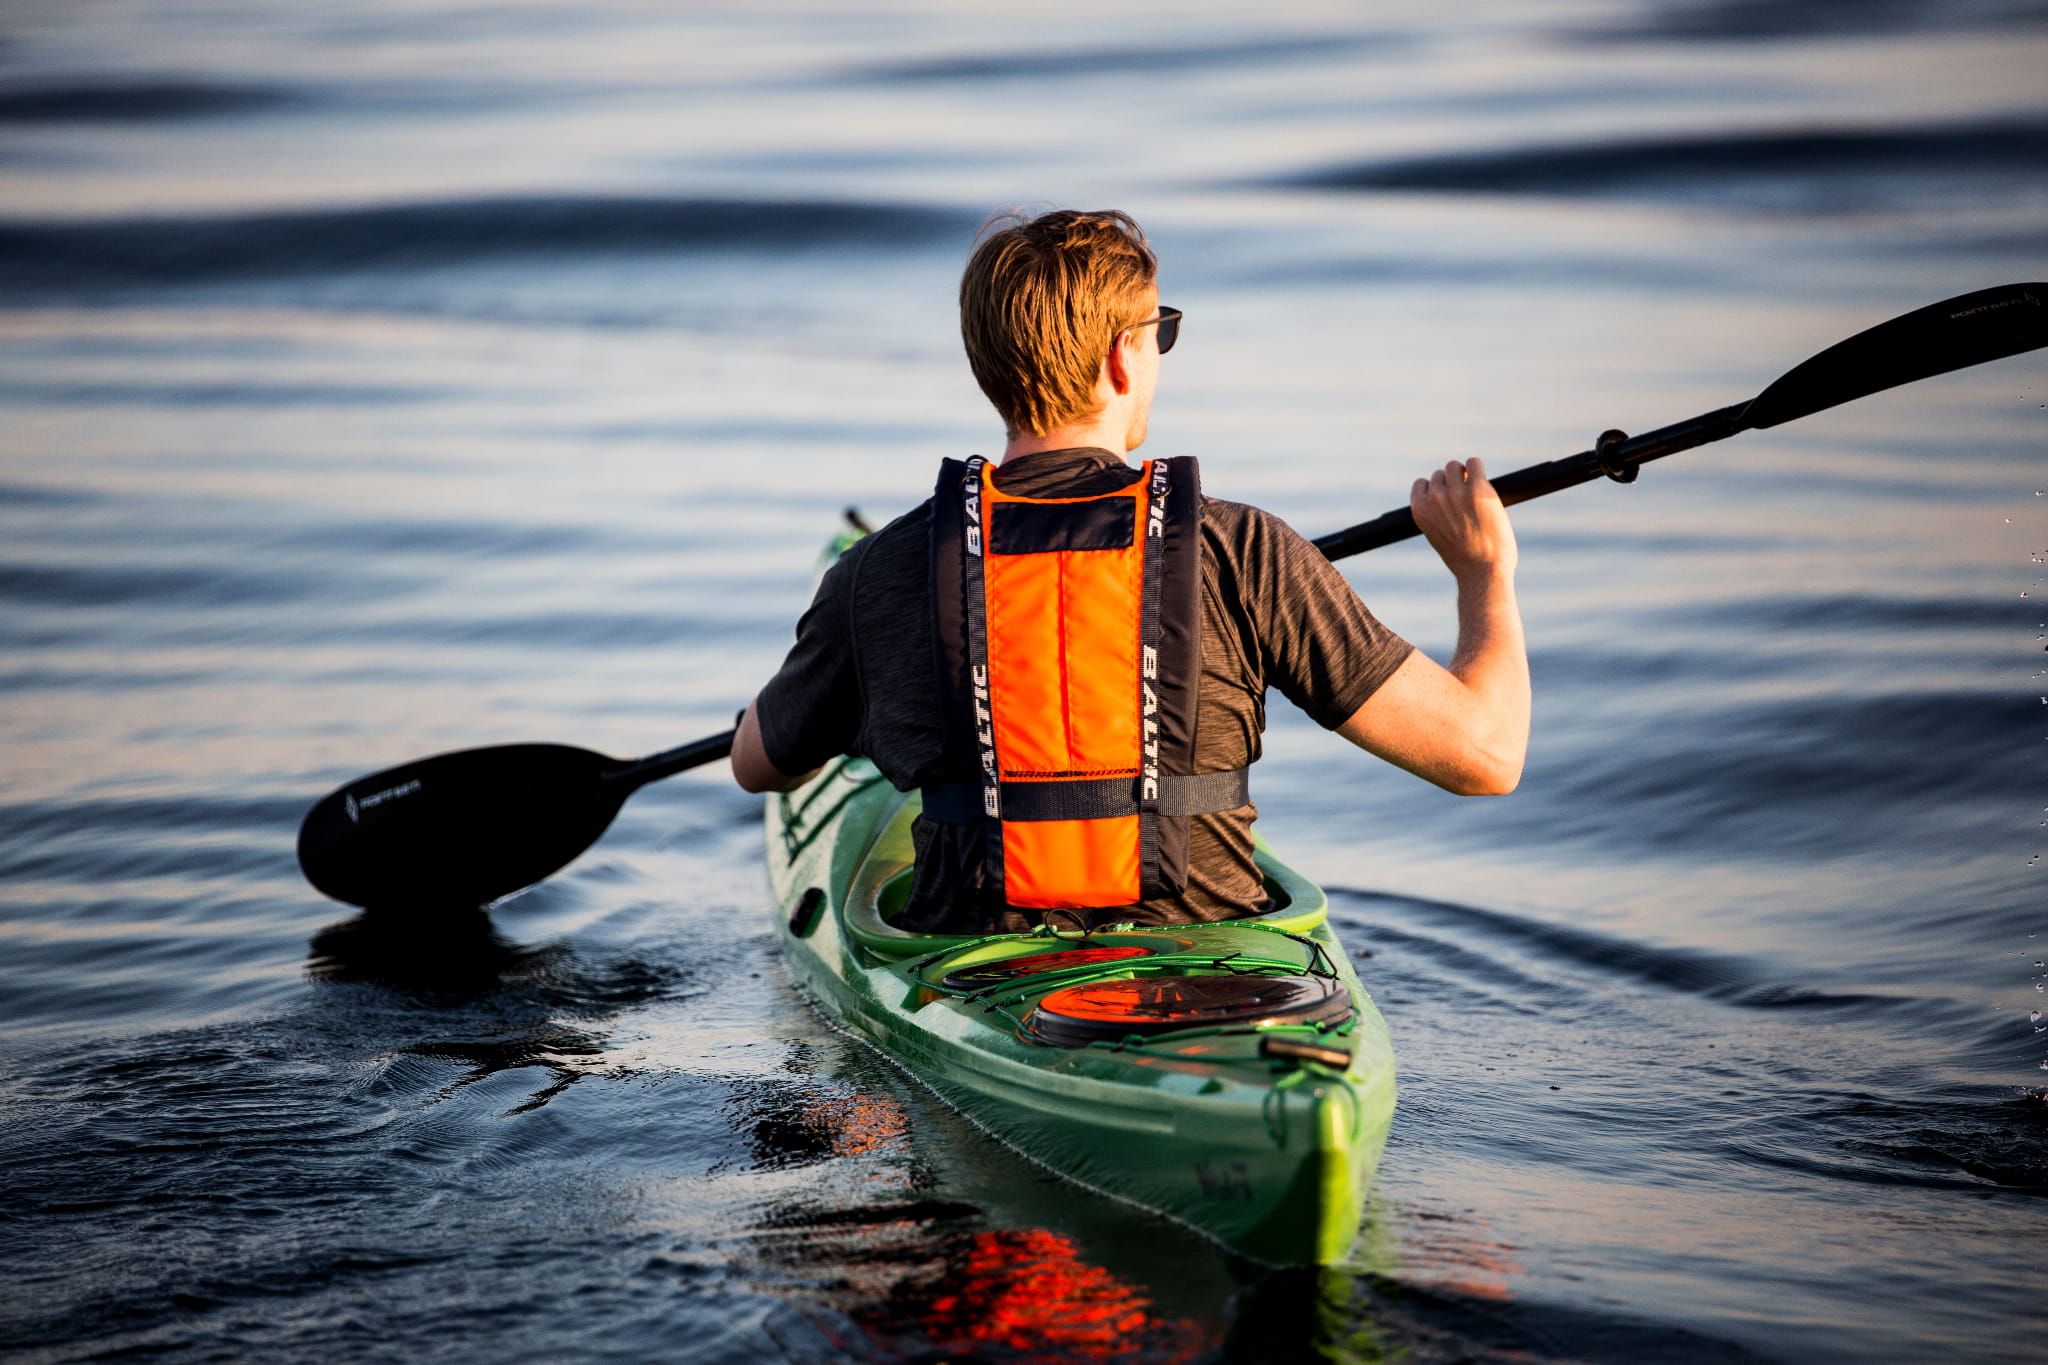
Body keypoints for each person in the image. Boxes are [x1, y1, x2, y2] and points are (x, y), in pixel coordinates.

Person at [732, 208, 1527, 934]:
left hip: (973, 971)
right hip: (1214, 973)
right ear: (1121, 357)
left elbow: (757, 764)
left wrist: (850, 692)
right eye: (1159, 333)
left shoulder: (878, 572)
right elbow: (1486, 756)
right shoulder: (1244, 550)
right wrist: (1483, 569)